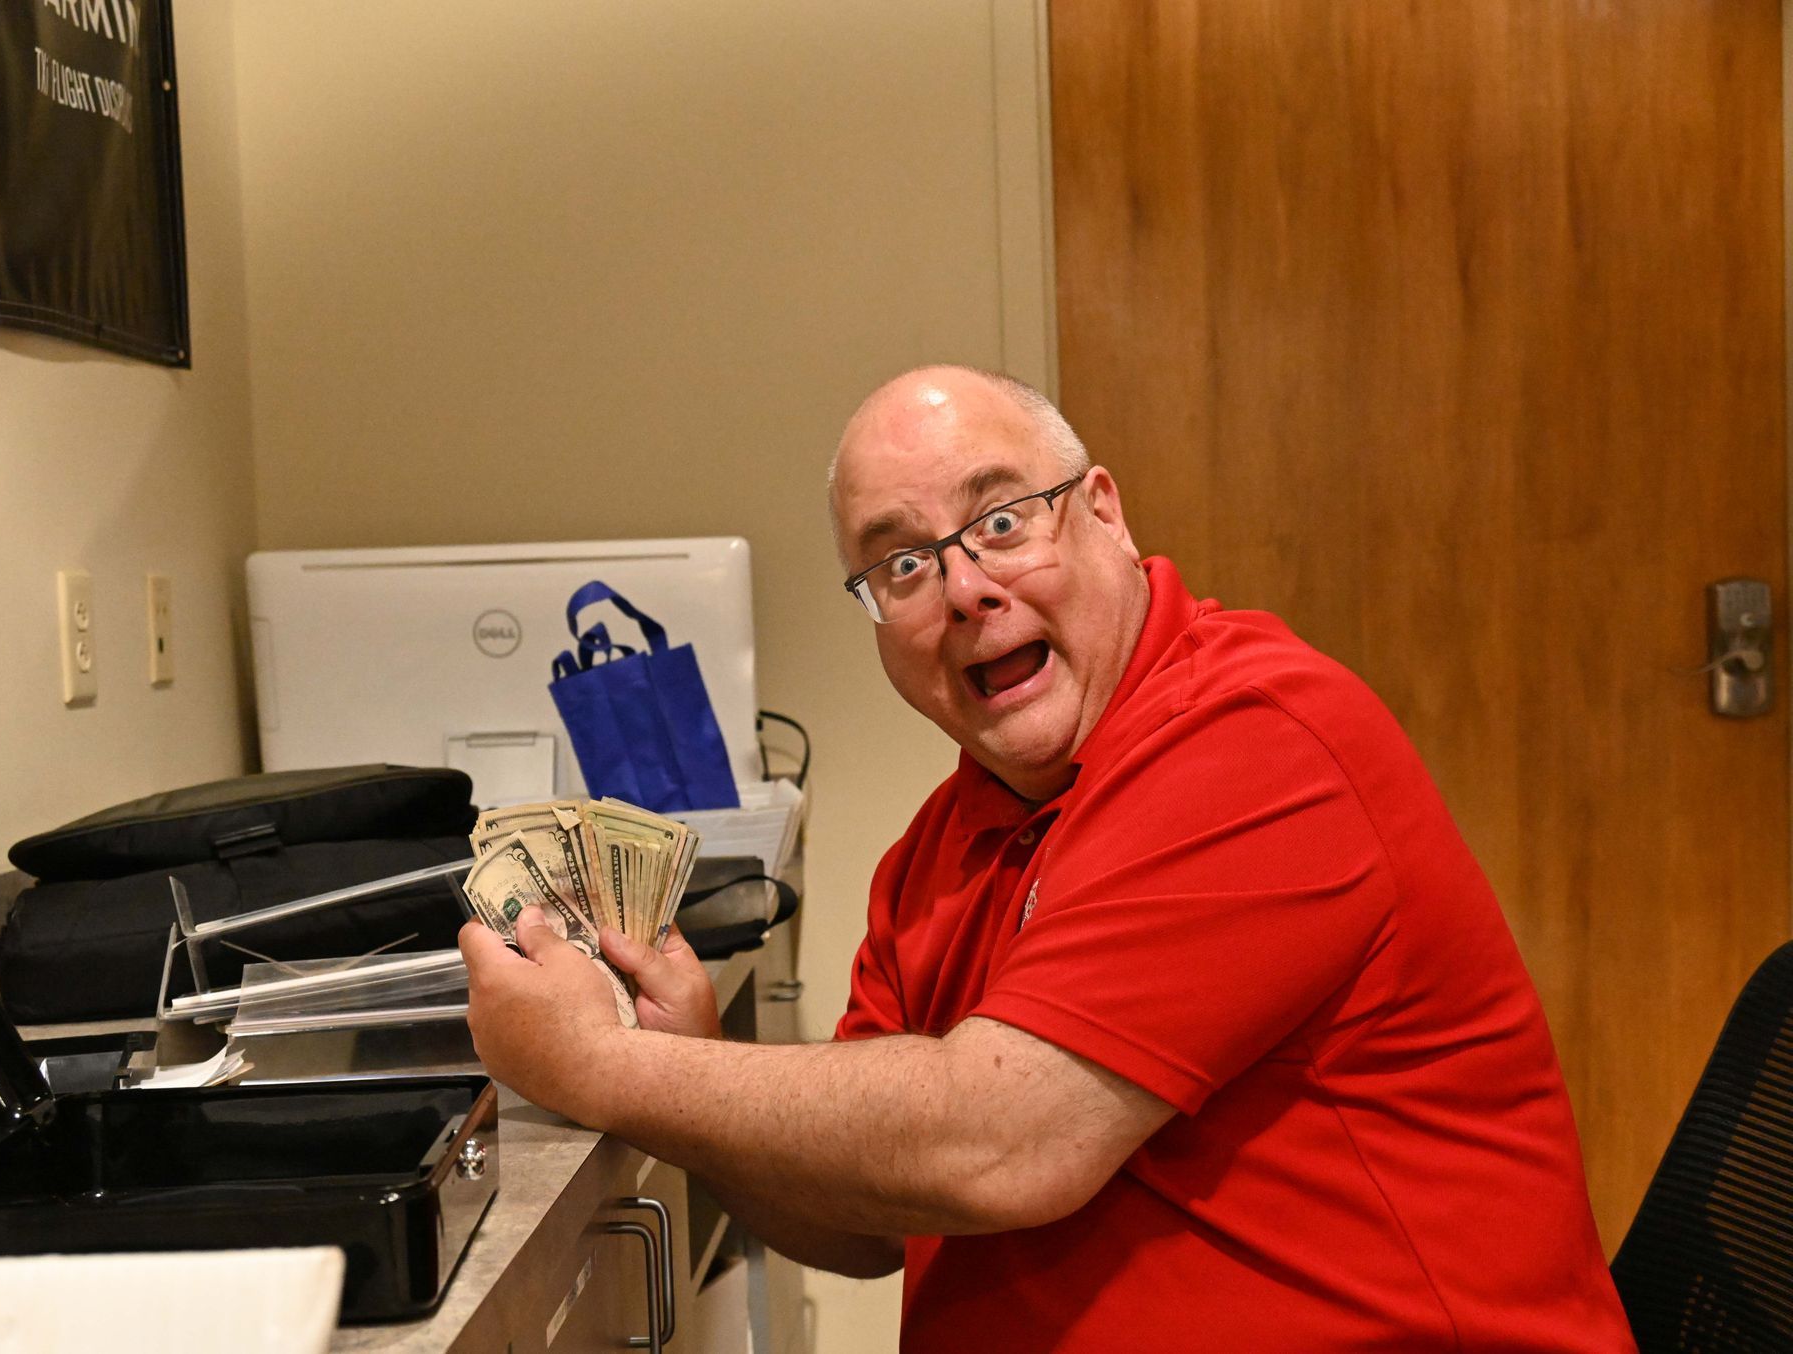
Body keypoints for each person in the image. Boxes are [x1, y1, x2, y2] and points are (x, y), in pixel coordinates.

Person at [460, 365, 1636, 1351]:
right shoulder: (942, 845)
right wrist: (692, 1067)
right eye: (904, 564)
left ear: (1108, 514)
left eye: (1002, 520)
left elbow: (999, 1144)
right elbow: (874, 1218)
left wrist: (604, 1068)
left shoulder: (1262, 742)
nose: (967, 588)